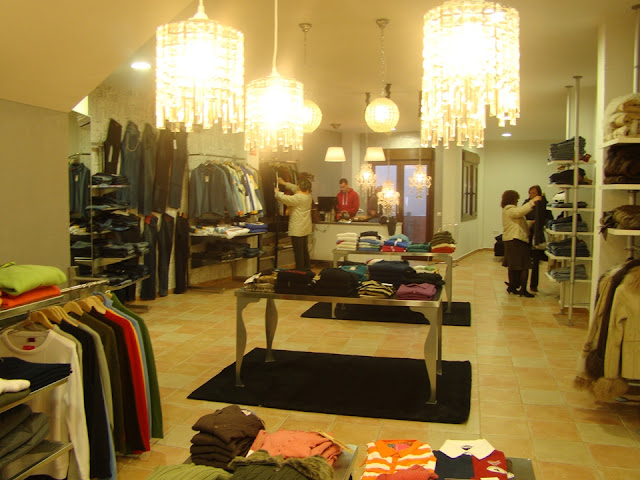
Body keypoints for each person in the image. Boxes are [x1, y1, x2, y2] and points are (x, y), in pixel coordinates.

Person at [501, 189, 542, 297]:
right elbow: (520, 212)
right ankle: (522, 289)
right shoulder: (510, 209)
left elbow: (518, 223)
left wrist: (530, 223)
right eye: (516, 199)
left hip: (512, 240)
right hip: (516, 241)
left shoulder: (508, 210)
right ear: (512, 199)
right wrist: (533, 201)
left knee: (513, 266)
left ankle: (513, 287)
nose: (517, 201)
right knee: (524, 266)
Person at [275, 177, 313, 270]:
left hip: (297, 229)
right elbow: (294, 188)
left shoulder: (298, 197)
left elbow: (284, 198)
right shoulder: (308, 196)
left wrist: (277, 192)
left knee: (298, 252)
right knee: (304, 251)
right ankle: (307, 270)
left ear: (300, 187)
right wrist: (284, 183)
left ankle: (300, 271)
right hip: (305, 228)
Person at [522, 185, 552, 292]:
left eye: (534, 193)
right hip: (526, 234)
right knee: (524, 261)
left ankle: (533, 285)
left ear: (538, 193)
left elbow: (549, 218)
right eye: (530, 193)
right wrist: (530, 222)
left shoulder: (543, 205)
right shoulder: (526, 204)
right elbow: (522, 217)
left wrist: (539, 223)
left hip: (537, 236)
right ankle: (522, 285)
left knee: (536, 262)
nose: (531, 195)